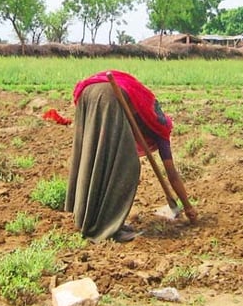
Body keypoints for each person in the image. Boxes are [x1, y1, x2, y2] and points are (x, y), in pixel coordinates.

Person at [65, 70, 198, 243]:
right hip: (110, 95)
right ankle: (109, 227)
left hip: (89, 93)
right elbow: (171, 174)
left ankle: (91, 218)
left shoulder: (150, 115)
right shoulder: (160, 130)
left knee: (95, 156)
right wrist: (188, 207)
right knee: (127, 167)